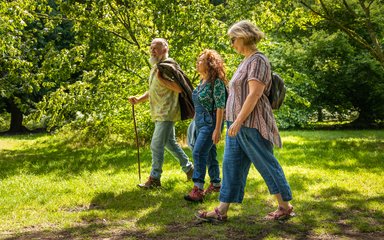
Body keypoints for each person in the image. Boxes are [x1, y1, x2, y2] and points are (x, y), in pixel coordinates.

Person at [196, 20, 293, 221]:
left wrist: (239, 121)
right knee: (231, 167)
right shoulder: (246, 60)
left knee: (266, 164)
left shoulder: (258, 60)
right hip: (235, 124)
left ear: (243, 36)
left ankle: (285, 206)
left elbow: (254, 94)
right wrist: (233, 123)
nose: (232, 44)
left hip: (250, 124)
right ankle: (221, 211)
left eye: (233, 39)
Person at [128, 38, 194, 188]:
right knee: (170, 143)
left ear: (164, 49)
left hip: (167, 112)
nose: (152, 50)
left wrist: (162, 80)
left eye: (155, 48)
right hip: (159, 112)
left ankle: (155, 179)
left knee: (156, 145)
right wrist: (139, 99)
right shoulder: (156, 67)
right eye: (151, 48)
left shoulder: (168, 67)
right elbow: (153, 89)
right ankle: (190, 169)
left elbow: (179, 88)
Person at [184, 49, 227, 202]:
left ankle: (198, 188)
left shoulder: (217, 83)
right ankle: (216, 183)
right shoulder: (202, 82)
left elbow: (221, 107)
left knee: (198, 152)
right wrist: (194, 124)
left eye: (201, 60)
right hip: (200, 123)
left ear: (209, 64)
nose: (197, 63)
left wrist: (217, 129)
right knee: (209, 154)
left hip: (211, 123)